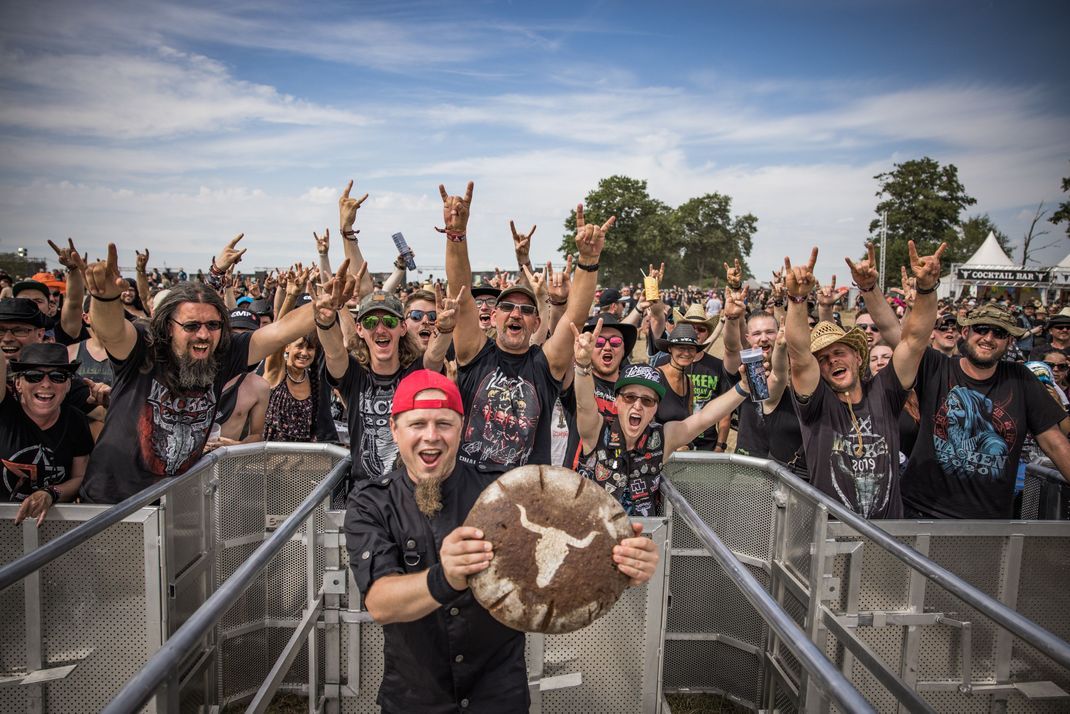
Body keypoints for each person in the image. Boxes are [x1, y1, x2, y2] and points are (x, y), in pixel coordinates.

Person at [344, 369, 659, 713]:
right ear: (394, 428)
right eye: (417, 424)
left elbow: (564, 562)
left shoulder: (505, 495)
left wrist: (623, 565)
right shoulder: (371, 502)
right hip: (415, 698)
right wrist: (444, 577)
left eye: (444, 424)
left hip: (498, 694)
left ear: (462, 428)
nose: (431, 437)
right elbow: (380, 602)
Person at [79, 242, 350, 503]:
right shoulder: (143, 346)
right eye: (191, 326)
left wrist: (319, 308)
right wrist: (104, 298)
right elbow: (112, 331)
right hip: (111, 502)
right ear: (169, 326)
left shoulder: (223, 354)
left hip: (176, 503)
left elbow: (279, 332)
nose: (204, 335)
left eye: (213, 324)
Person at [443, 184, 612, 474]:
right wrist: (456, 234)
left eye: (526, 309)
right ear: (494, 316)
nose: (516, 313)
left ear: (537, 321)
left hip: (527, 495)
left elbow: (576, 314)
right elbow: (461, 289)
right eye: (507, 307)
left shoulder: (544, 365)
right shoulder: (474, 353)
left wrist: (588, 261)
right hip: (469, 493)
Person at [784, 243, 943, 519]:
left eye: (839, 352)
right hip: (829, 536)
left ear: (859, 357)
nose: (832, 360)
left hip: (886, 538)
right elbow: (798, 355)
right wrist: (797, 301)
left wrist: (926, 289)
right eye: (823, 359)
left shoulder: (885, 391)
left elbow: (915, 341)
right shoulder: (816, 405)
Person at [901, 303, 1070, 519]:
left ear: (1009, 342)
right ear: (965, 332)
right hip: (922, 512)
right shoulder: (937, 366)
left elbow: (1054, 442)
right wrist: (871, 289)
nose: (988, 338)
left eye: (999, 333)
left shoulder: (1020, 378)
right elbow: (902, 338)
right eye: (981, 329)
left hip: (988, 522)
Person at [573, 324, 750, 515]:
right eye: (630, 397)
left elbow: (705, 418)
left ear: (656, 407)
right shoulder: (597, 431)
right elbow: (584, 404)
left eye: (647, 400)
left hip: (641, 538)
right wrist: (583, 365)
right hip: (593, 536)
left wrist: (744, 387)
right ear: (617, 402)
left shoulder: (661, 438)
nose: (637, 406)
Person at [1, 344, 93, 526]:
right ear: (18, 384)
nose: (46, 384)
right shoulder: (4, 413)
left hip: (54, 527)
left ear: (67, 386)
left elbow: (79, 477)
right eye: (33, 376)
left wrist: (50, 493)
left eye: (57, 377)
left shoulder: (75, 420)